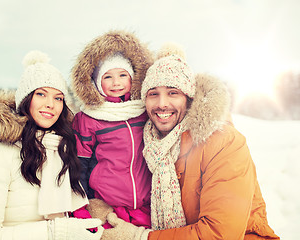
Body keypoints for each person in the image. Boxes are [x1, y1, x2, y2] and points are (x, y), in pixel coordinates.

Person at [99, 44, 280, 239]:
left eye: (172, 93)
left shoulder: (223, 142)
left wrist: (142, 237)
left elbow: (220, 234)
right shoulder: (150, 144)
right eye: (153, 94)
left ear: (188, 98)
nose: (162, 104)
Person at [0, 50, 103, 240]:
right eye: (41, 94)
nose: (51, 104)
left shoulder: (62, 149)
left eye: (58, 98)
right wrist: (54, 232)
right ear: (25, 99)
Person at [71, 30, 153, 229]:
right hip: (107, 207)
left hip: (146, 207)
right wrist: (83, 204)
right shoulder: (89, 118)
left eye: (123, 75)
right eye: (108, 77)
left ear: (133, 78)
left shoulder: (144, 111)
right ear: (97, 83)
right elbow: (79, 165)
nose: (116, 83)